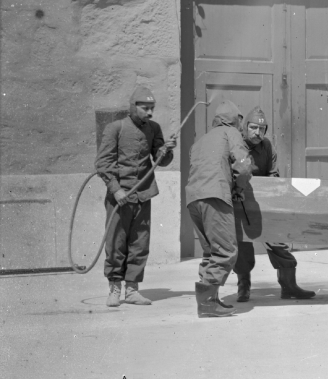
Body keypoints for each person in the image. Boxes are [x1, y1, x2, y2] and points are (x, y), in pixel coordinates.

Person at [95, 86, 177, 307]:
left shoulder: (154, 128)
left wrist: (166, 151)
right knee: (115, 243)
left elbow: (161, 161)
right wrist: (116, 189)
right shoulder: (115, 128)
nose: (150, 113)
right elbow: (103, 163)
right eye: (145, 108)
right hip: (119, 198)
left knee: (140, 244)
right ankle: (114, 288)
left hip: (143, 195)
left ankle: (131, 290)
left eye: (152, 109)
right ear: (133, 107)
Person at [233, 107, 315, 302]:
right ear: (245, 127)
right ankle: (243, 286)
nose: (257, 133)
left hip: (263, 202)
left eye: (262, 129)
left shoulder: (267, 146)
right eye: (253, 128)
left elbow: (273, 175)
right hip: (242, 202)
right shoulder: (237, 145)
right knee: (243, 246)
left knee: (278, 242)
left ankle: (289, 286)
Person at [185, 100, 253, 318]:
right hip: (216, 195)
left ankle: (210, 300)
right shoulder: (230, 133)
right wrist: (238, 189)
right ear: (235, 119)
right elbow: (243, 166)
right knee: (226, 250)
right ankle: (207, 304)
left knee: (210, 251)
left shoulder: (201, 140)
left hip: (193, 199)